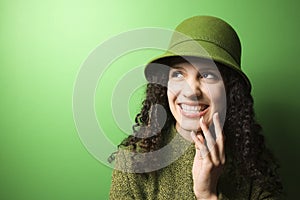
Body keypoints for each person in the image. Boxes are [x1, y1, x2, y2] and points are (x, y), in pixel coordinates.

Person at [109, 16, 283, 199]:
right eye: (178, 74)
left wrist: (208, 195)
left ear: (229, 89)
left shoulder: (252, 164)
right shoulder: (133, 161)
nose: (191, 91)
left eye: (207, 75)